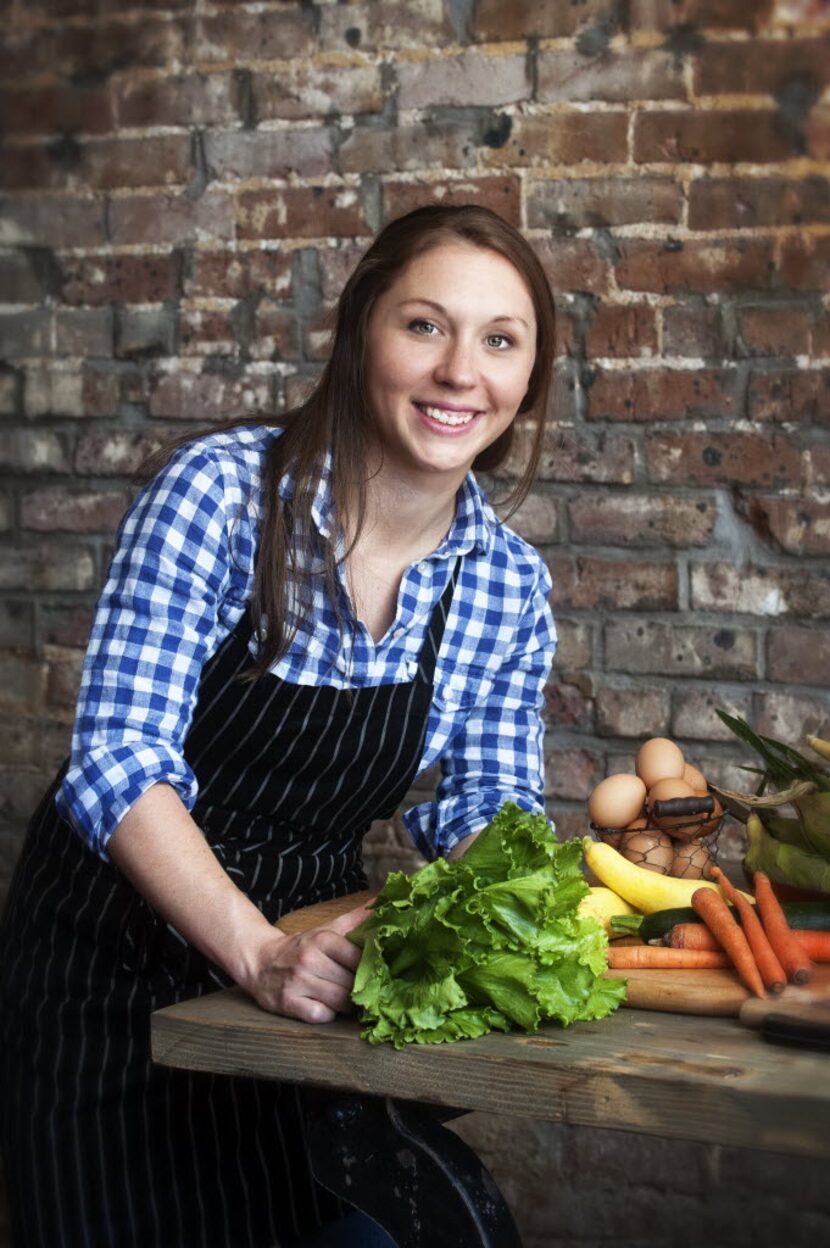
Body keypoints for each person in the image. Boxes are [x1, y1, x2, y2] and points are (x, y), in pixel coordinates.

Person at [0, 204, 558, 1247]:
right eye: (424, 326)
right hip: (112, 987)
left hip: (304, 1002)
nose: (458, 373)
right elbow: (117, 760)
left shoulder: (506, 587)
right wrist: (250, 952)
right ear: (359, 335)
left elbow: (488, 803)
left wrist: (517, 911)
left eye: (498, 339)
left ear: (528, 379)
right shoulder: (219, 497)